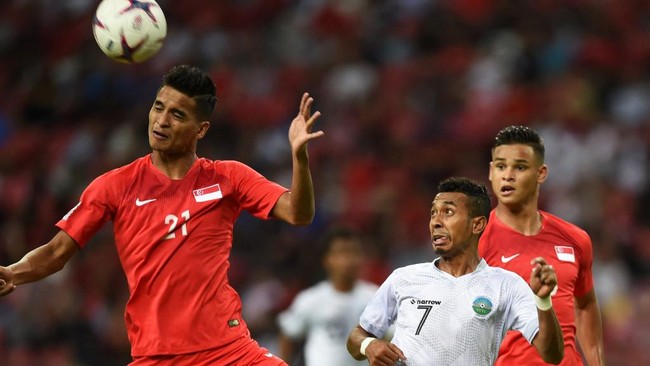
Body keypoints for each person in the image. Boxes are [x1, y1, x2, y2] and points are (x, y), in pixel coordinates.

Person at [0, 64, 324, 366]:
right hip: (156, 356)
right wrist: (14, 273)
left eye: (177, 114)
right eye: (158, 107)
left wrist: (300, 159)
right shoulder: (116, 186)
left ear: (201, 129)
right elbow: (57, 252)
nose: (161, 121)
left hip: (229, 351)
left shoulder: (228, 178)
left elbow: (299, 214)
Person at [347, 177, 564, 365]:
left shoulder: (506, 285)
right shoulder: (404, 278)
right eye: (433, 213)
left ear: (477, 225)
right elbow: (357, 336)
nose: (436, 222)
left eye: (448, 212)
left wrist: (543, 301)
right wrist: (369, 345)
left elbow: (551, 354)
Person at [478, 125, 605, 365]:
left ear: (541, 173)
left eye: (520, 167)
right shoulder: (476, 242)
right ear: (491, 172)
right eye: (501, 166)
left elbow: (586, 304)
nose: (508, 175)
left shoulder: (575, 239)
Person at [277, 227, 379, 366]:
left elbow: (393, 336)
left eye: (353, 252)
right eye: (341, 253)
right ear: (327, 260)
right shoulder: (311, 299)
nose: (347, 260)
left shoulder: (376, 298)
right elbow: (288, 334)